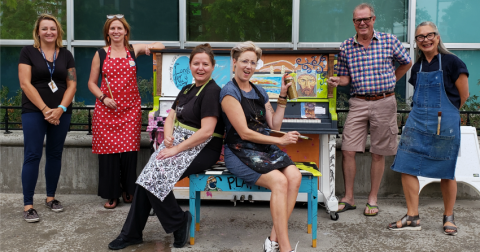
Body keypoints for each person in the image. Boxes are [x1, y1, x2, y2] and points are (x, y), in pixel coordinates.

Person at [108, 43, 225, 250]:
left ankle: (175, 223)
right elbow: (171, 116)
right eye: (196, 63)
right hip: (180, 142)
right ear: (190, 66)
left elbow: (207, 131)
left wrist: (174, 149)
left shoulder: (212, 91)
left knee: (155, 174)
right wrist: (168, 136)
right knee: (146, 177)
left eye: (205, 64)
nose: (200, 67)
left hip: (203, 147)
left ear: (213, 66)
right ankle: (135, 232)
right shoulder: (187, 89)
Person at [327, 3, 412, 216]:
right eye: (358, 20)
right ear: (354, 22)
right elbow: (346, 77)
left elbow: (406, 62)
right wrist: (338, 80)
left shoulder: (389, 41)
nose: (362, 23)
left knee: (378, 152)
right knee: (347, 149)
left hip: (384, 101)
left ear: (373, 19)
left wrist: (392, 79)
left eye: (366, 19)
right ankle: (349, 198)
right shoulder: (346, 46)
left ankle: (372, 198)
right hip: (357, 102)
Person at [388, 22, 469, 235]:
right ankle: (412, 216)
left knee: (446, 171)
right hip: (417, 122)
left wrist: (446, 114)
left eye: (429, 35)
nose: (425, 39)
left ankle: (448, 216)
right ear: (416, 42)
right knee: (405, 165)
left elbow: (463, 96)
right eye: (420, 37)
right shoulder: (418, 67)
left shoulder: (453, 62)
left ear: (437, 37)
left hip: (444, 123)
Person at [221, 41, 301, 252]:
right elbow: (245, 133)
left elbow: (274, 125)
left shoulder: (260, 91)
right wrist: (280, 140)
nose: (248, 66)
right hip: (239, 150)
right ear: (234, 63)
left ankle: (272, 240)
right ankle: (284, 247)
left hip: (263, 147)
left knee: (294, 176)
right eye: (244, 61)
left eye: (253, 62)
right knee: (279, 181)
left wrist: (282, 96)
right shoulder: (229, 93)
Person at [87, 14, 165, 209]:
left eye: (119, 28)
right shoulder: (101, 54)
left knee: (129, 153)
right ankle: (111, 194)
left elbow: (161, 45)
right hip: (106, 111)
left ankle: (128, 190)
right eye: (112, 28)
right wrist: (104, 98)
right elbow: (91, 83)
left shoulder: (133, 50)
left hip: (130, 111)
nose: (116, 31)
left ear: (126, 31)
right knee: (108, 155)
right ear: (107, 32)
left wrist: (149, 48)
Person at [18, 14, 77, 222]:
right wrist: (45, 109)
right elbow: (25, 84)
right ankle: (28, 205)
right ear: (38, 31)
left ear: (58, 31)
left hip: (61, 111)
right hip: (34, 111)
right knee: (32, 155)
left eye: (52, 28)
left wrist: (60, 108)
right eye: (44, 28)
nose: (49, 32)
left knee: (55, 154)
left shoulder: (66, 55)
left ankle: (51, 198)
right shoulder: (28, 52)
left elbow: (72, 85)